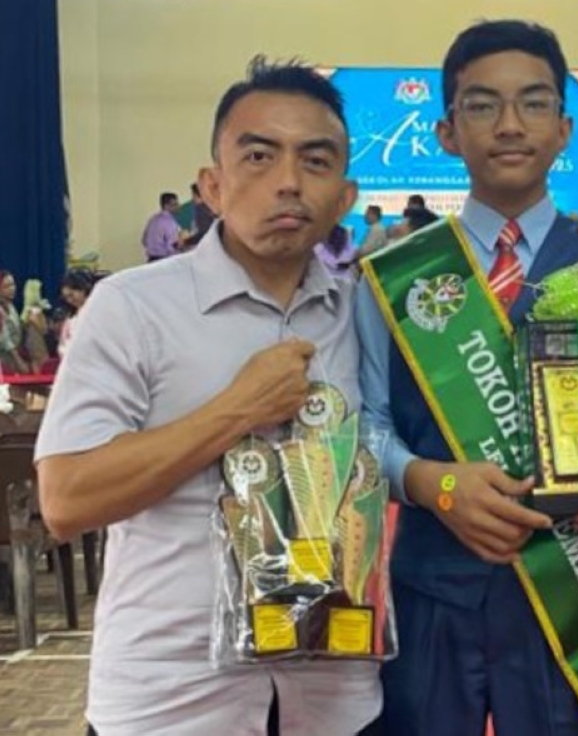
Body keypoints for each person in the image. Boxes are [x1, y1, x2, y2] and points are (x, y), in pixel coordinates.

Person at [356, 19, 578, 736]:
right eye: (482, 105)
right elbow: (366, 427)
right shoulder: (392, 277)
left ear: (565, 128)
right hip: (433, 587)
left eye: (534, 103)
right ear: (447, 132)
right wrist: (431, 481)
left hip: (577, 591)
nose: (510, 124)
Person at [35, 57, 379, 736]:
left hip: (334, 699)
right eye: (258, 156)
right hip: (172, 703)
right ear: (212, 186)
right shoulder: (131, 308)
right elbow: (66, 500)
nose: (287, 182)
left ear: (345, 198)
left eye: (315, 161)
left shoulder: (364, 313)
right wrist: (236, 412)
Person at [141, 192, 184, 262]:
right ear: (166, 206)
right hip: (164, 260)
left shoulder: (153, 219)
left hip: (151, 260)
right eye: (174, 204)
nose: (178, 206)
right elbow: (172, 247)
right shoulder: (170, 223)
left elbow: (144, 241)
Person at [0, 270, 28, 374]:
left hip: (14, 355)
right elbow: (5, 340)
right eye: (6, 286)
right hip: (4, 359)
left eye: (13, 284)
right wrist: (19, 361)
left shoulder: (11, 306)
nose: (12, 288)